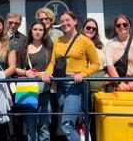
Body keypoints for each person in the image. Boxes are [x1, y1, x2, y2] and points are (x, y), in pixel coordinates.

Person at [42, 11, 99, 141]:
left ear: (75, 21)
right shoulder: (58, 41)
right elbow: (52, 62)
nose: (64, 23)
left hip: (76, 85)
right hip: (61, 85)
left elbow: (96, 64)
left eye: (67, 20)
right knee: (70, 122)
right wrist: (47, 73)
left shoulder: (85, 41)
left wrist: (83, 73)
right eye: (62, 21)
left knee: (66, 124)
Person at [16, 20, 53, 141]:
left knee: (44, 126)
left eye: (41, 30)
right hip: (28, 90)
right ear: (31, 31)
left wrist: (47, 72)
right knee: (30, 127)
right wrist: (26, 72)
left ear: (44, 32)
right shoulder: (23, 49)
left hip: (45, 91)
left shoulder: (49, 48)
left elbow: (54, 65)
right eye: (35, 29)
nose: (38, 32)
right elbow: (15, 68)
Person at [104, 14, 133, 92]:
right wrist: (119, 82)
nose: (122, 27)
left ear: (129, 26)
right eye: (118, 25)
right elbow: (109, 65)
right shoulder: (110, 44)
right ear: (115, 28)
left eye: (125, 24)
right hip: (119, 84)